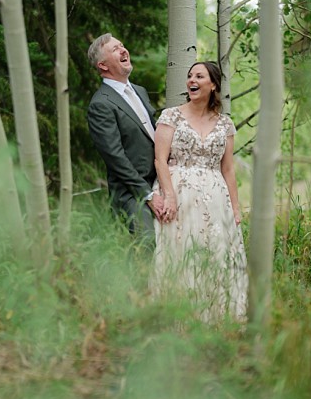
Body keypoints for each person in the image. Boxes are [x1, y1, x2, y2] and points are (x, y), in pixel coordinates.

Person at [151, 61, 248, 322]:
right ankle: (179, 319)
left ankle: (216, 318)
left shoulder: (225, 124)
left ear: (213, 85)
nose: (191, 80)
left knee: (215, 254)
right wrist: (169, 195)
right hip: (179, 193)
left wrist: (235, 208)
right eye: (189, 75)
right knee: (181, 253)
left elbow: (228, 169)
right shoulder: (171, 116)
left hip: (216, 199)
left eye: (199, 76)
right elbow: (160, 160)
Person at [86, 33, 165, 239]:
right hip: (131, 191)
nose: (123, 50)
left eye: (122, 45)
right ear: (103, 66)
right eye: (115, 49)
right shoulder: (100, 104)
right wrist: (147, 195)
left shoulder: (140, 91)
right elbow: (115, 156)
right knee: (147, 243)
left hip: (161, 181)